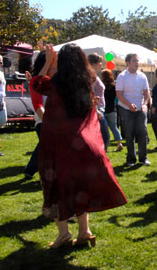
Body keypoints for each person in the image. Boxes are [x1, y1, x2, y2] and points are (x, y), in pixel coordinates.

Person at [33, 44, 127, 248]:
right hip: (82, 144)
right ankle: (84, 232)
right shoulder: (88, 80)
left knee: (58, 188)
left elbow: (37, 84)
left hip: (59, 145)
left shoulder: (56, 83)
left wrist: (49, 60)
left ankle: (64, 234)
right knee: (79, 188)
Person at [116, 53, 151, 167]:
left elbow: (146, 93)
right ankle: (131, 159)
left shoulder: (142, 76)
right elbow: (119, 94)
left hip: (140, 109)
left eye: (137, 60)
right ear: (128, 63)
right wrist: (129, 104)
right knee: (129, 135)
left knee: (142, 133)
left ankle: (143, 158)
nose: (137, 63)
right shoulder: (122, 76)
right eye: (134, 61)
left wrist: (145, 104)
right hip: (126, 109)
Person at [23, 51, 48, 179]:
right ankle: (30, 170)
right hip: (43, 121)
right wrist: (48, 122)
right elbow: (38, 105)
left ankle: (30, 170)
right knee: (44, 147)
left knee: (45, 147)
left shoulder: (51, 80)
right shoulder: (36, 80)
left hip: (50, 120)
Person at [88, 53, 110, 153]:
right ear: (94, 63)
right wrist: (96, 110)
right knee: (105, 136)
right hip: (96, 110)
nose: (101, 64)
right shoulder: (91, 76)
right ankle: (100, 159)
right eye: (100, 62)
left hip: (99, 109)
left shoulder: (94, 75)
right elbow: (90, 93)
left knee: (100, 137)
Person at [101, 69, 123, 152]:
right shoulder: (114, 86)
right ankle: (119, 143)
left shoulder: (101, 86)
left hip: (103, 109)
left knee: (103, 129)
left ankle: (104, 144)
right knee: (114, 127)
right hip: (112, 109)